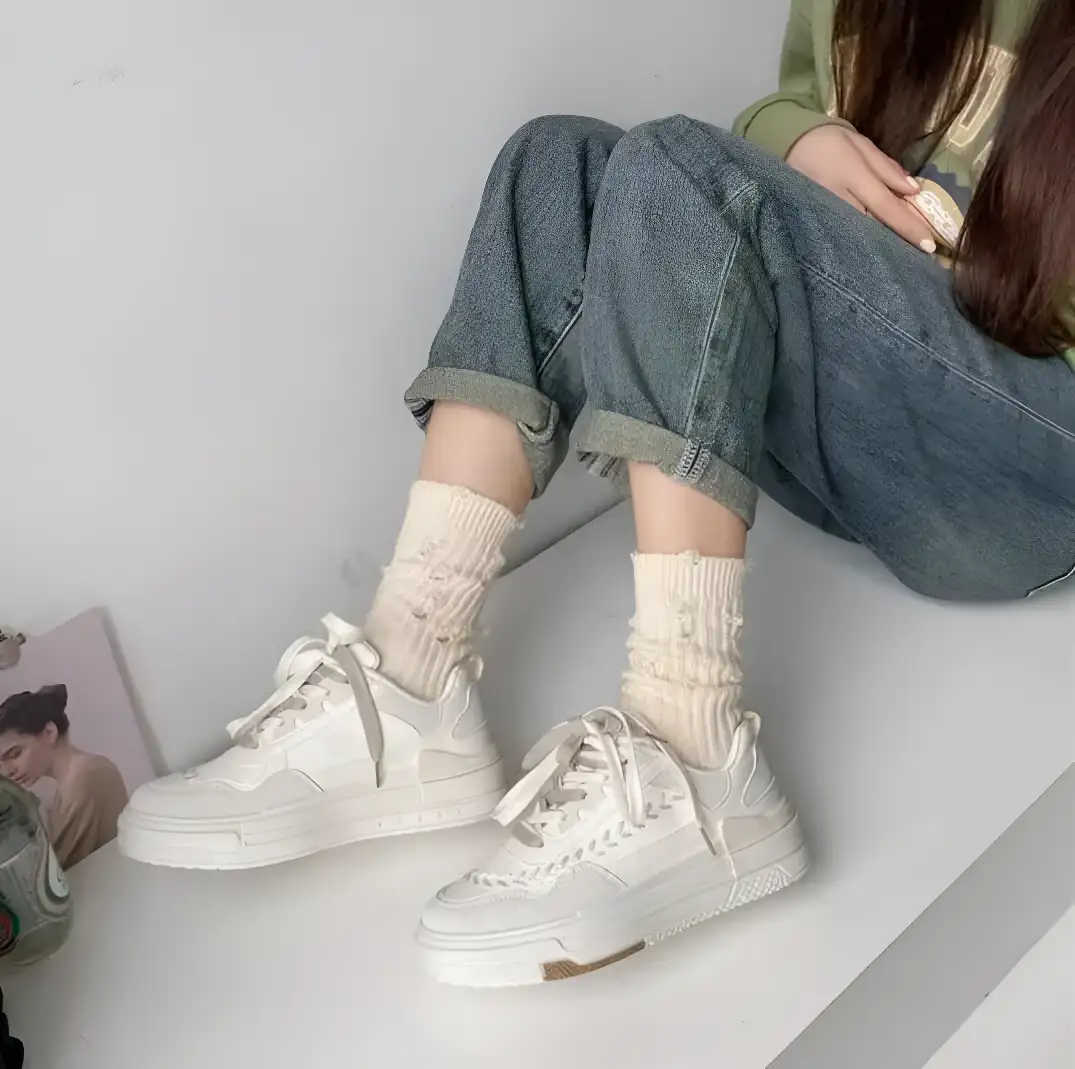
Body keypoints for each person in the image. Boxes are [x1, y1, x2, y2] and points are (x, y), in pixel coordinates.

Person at [119, 0, 1075, 984]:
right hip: (873, 421)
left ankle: (693, 749)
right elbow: (797, 102)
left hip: (1032, 465)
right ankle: (411, 672)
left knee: (683, 167)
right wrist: (797, 134)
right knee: (559, 166)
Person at [0, 685, 129, 869]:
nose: (7, 772)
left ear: (49, 733)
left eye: (15, 754)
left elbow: (58, 870)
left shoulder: (84, 776)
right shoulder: (83, 772)